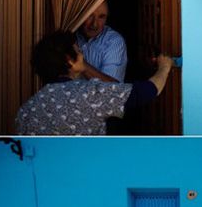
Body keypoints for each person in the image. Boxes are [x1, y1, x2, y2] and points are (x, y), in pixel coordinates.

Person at [16, 31, 173, 135]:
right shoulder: (90, 93)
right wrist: (165, 66)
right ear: (70, 60)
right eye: (78, 51)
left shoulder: (26, 111)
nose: (82, 55)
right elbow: (145, 92)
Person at [76, 1, 128, 82]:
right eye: (90, 15)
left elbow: (112, 88)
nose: (94, 24)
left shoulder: (113, 41)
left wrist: (83, 65)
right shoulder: (72, 35)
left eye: (101, 17)